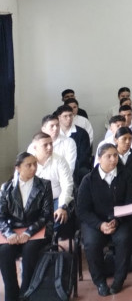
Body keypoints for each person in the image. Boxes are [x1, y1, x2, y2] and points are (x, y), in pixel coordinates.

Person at [77, 143, 132, 296]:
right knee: (91, 243)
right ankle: (99, 281)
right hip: (95, 222)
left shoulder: (126, 175)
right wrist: (100, 225)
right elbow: (82, 210)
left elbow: (131, 202)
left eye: (115, 155)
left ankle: (119, 279)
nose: (113, 159)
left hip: (121, 219)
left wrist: (117, 220)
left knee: (124, 239)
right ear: (99, 159)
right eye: (108, 156)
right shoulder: (88, 180)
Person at [0, 153, 53, 301]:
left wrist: (29, 233)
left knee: (30, 251)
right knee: (4, 252)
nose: (33, 168)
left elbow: (46, 215)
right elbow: (1, 216)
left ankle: (27, 291)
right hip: (14, 232)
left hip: (37, 231)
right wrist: (9, 234)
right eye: (28, 165)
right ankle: (11, 293)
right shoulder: (6, 188)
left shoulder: (44, 185)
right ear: (18, 168)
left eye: (35, 164)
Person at [29, 133, 73, 230]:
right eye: (45, 145)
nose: (49, 147)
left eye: (51, 144)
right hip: (34, 202)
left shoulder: (59, 160)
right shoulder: (27, 162)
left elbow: (67, 185)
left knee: (56, 219)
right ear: (35, 147)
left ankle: (47, 241)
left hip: (56, 199)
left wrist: (62, 206)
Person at [55, 105, 92, 184]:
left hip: (78, 167)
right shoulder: (55, 133)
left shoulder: (82, 133)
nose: (69, 118)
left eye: (70, 115)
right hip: (57, 167)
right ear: (59, 117)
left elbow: (84, 155)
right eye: (65, 116)